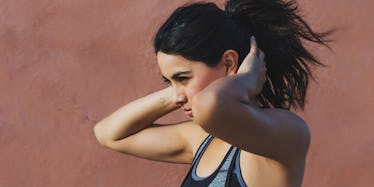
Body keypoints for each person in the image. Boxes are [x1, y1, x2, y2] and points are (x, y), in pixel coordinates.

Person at [94, 0, 330, 186]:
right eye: (169, 81)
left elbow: (211, 105)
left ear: (229, 63)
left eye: (183, 77)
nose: (176, 95)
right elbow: (109, 134)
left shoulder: (287, 135)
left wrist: (246, 79)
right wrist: (179, 92)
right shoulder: (201, 139)